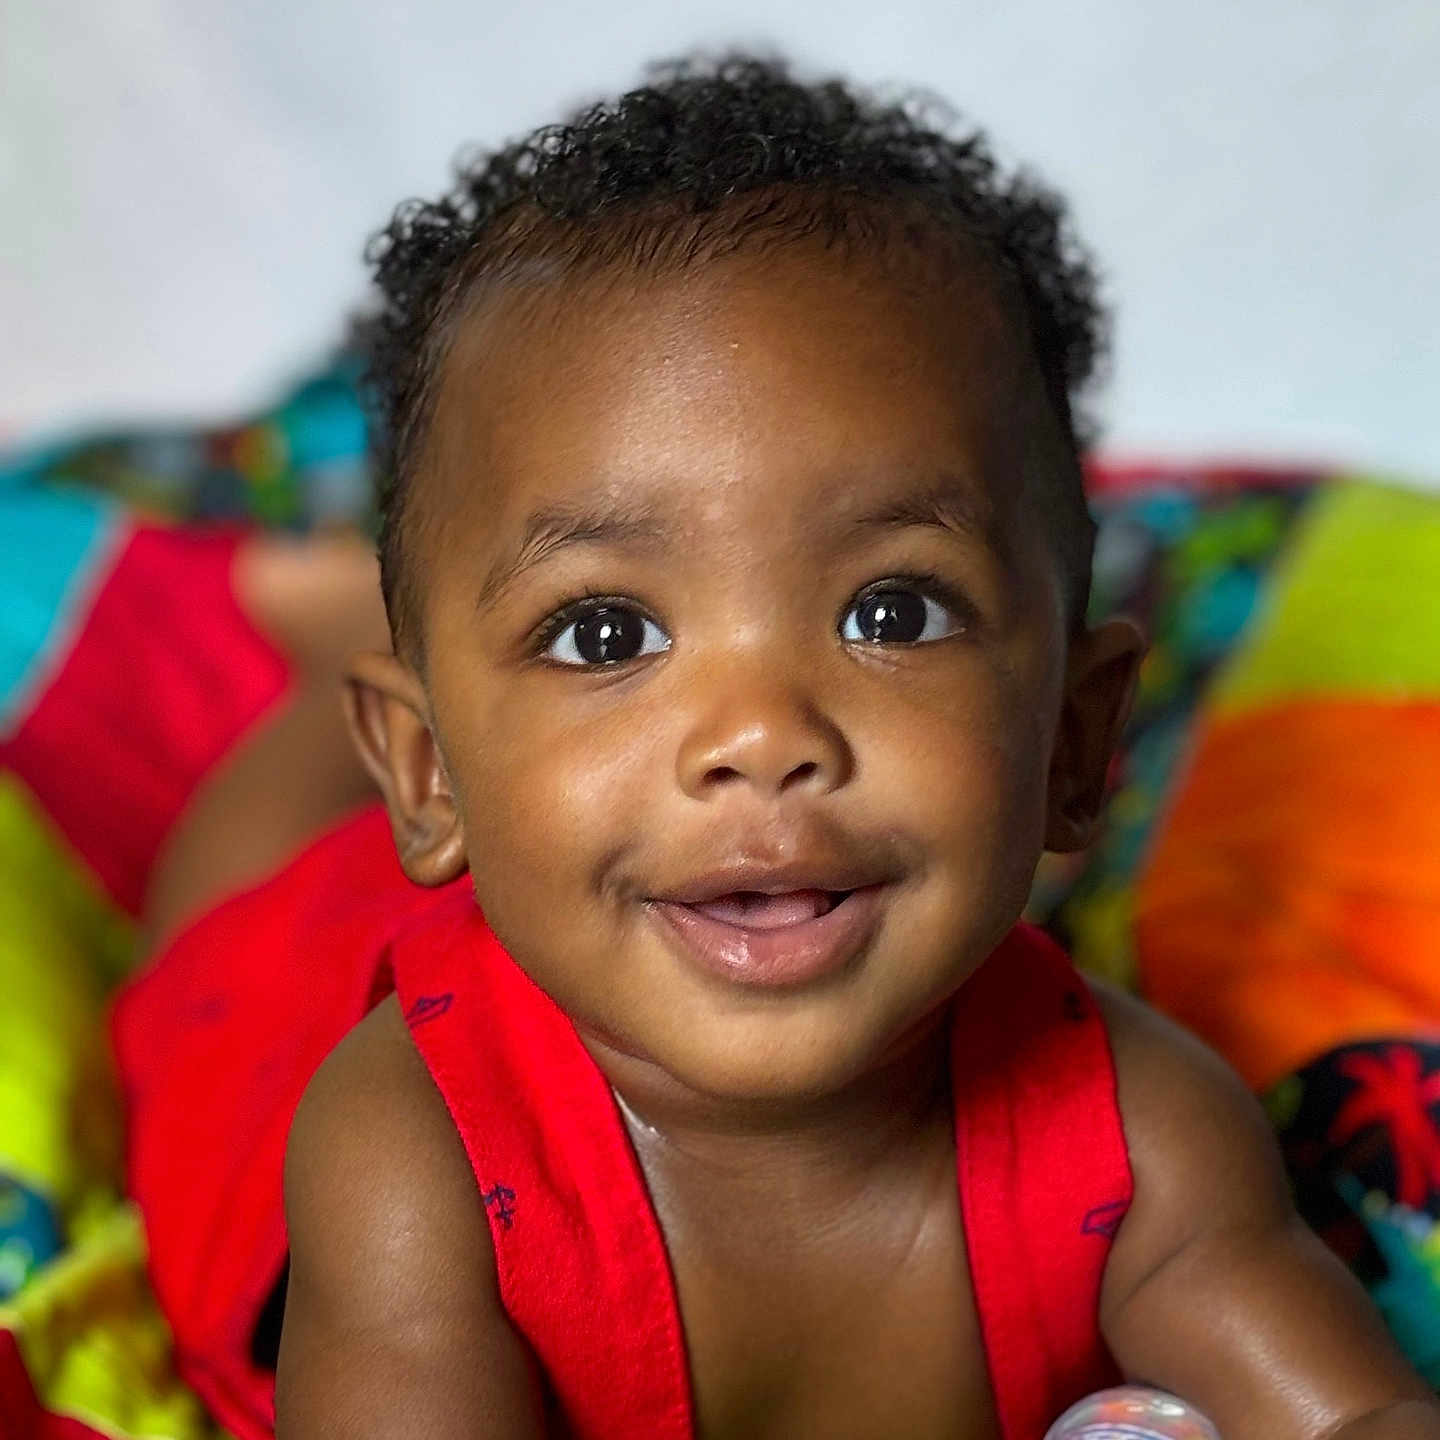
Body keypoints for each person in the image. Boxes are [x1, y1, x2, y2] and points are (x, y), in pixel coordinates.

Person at [117, 56, 1440, 1440]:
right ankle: (329, 641)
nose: (761, 734)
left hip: (592, 862)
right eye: (605, 633)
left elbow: (1357, 1419)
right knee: (226, 902)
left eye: (893, 612)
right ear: (426, 767)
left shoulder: (1141, 1137)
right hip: (281, 1011)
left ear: (1073, 739)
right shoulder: (408, 1153)